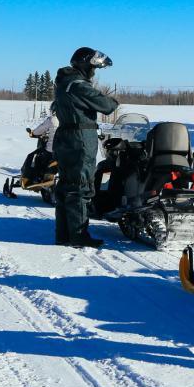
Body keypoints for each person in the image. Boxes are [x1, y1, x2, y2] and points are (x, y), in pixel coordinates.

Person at [51, 47, 119, 248]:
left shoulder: (64, 83)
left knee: (66, 186)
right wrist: (110, 98)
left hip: (66, 137)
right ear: (85, 65)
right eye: (93, 68)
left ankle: (63, 234)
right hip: (79, 139)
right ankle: (79, 235)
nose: (94, 72)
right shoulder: (78, 85)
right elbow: (108, 105)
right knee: (80, 187)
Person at [23, 102, 57, 184]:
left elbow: (40, 129)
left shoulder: (52, 119)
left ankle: (36, 178)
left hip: (52, 149)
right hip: (65, 150)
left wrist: (33, 133)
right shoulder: (67, 119)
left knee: (37, 157)